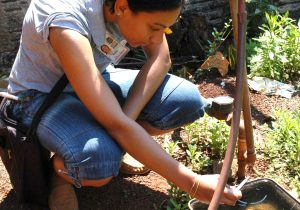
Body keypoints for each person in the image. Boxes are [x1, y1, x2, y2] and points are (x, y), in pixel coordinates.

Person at [5, 0, 242, 209]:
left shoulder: (131, 7)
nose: (157, 39)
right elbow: (116, 123)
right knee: (99, 161)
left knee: (186, 101)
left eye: (164, 29)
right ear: (121, 6)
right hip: (39, 98)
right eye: (154, 28)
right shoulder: (64, 19)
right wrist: (194, 184)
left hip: (97, 79)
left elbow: (161, 57)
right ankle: (61, 174)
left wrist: (125, 122)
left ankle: (110, 141)